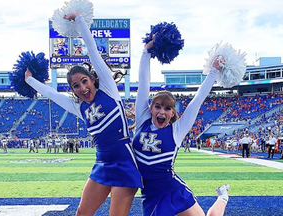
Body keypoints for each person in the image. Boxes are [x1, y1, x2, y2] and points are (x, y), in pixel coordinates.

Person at [25, 12, 141, 216]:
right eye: (76, 86)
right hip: (102, 163)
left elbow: (93, 51)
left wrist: (79, 20)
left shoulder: (108, 89)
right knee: (82, 213)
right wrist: (29, 81)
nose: (82, 88)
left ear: (93, 79)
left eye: (84, 81)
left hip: (124, 162)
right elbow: (52, 93)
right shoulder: (80, 108)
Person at [132, 39, 230, 216]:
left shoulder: (177, 130)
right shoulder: (142, 121)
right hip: (150, 195)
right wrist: (146, 52)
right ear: (151, 108)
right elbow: (143, 83)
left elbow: (198, 99)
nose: (162, 112)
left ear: (172, 113)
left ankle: (222, 197)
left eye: (168, 108)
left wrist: (214, 70)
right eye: (158, 106)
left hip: (173, 192)